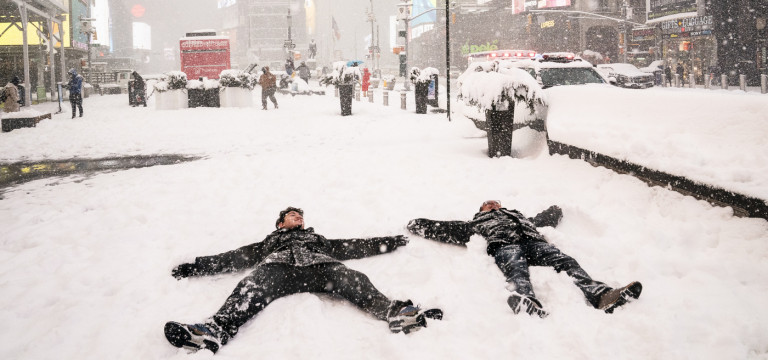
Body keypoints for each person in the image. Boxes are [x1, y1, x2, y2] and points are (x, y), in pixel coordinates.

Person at [164, 207, 441, 353]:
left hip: (322, 270)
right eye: (292, 215)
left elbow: (351, 246)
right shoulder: (269, 243)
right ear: (281, 224)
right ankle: (214, 330)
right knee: (252, 285)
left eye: (301, 215)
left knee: (354, 278)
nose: (298, 217)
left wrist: (388, 242)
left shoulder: (317, 239)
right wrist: (196, 266)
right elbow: (235, 257)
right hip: (279, 270)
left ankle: (397, 314)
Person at [407, 200, 642, 318]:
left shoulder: (522, 217)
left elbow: (544, 218)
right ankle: (526, 300)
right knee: (516, 268)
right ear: (481, 211)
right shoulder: (475, 224)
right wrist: (417, 224)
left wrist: (556, 209)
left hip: (536, 244)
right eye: (488, 204)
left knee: (565, 261)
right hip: (505, 245)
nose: (493, 204)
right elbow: (444, 228)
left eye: (496, 202)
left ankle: (602, 295)